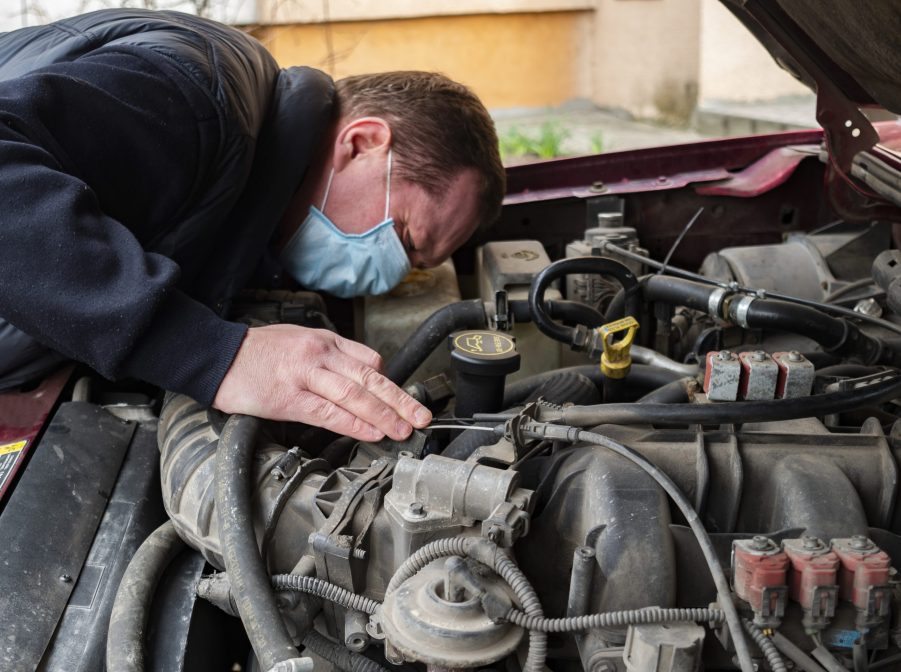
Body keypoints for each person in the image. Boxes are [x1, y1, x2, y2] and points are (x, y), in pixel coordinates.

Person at [0, 9, 505, 442]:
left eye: (417, 269)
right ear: (363, 143)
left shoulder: (249, 199)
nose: (393, 276)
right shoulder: (199, 98)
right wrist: (214, 353)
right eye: (406, 240)